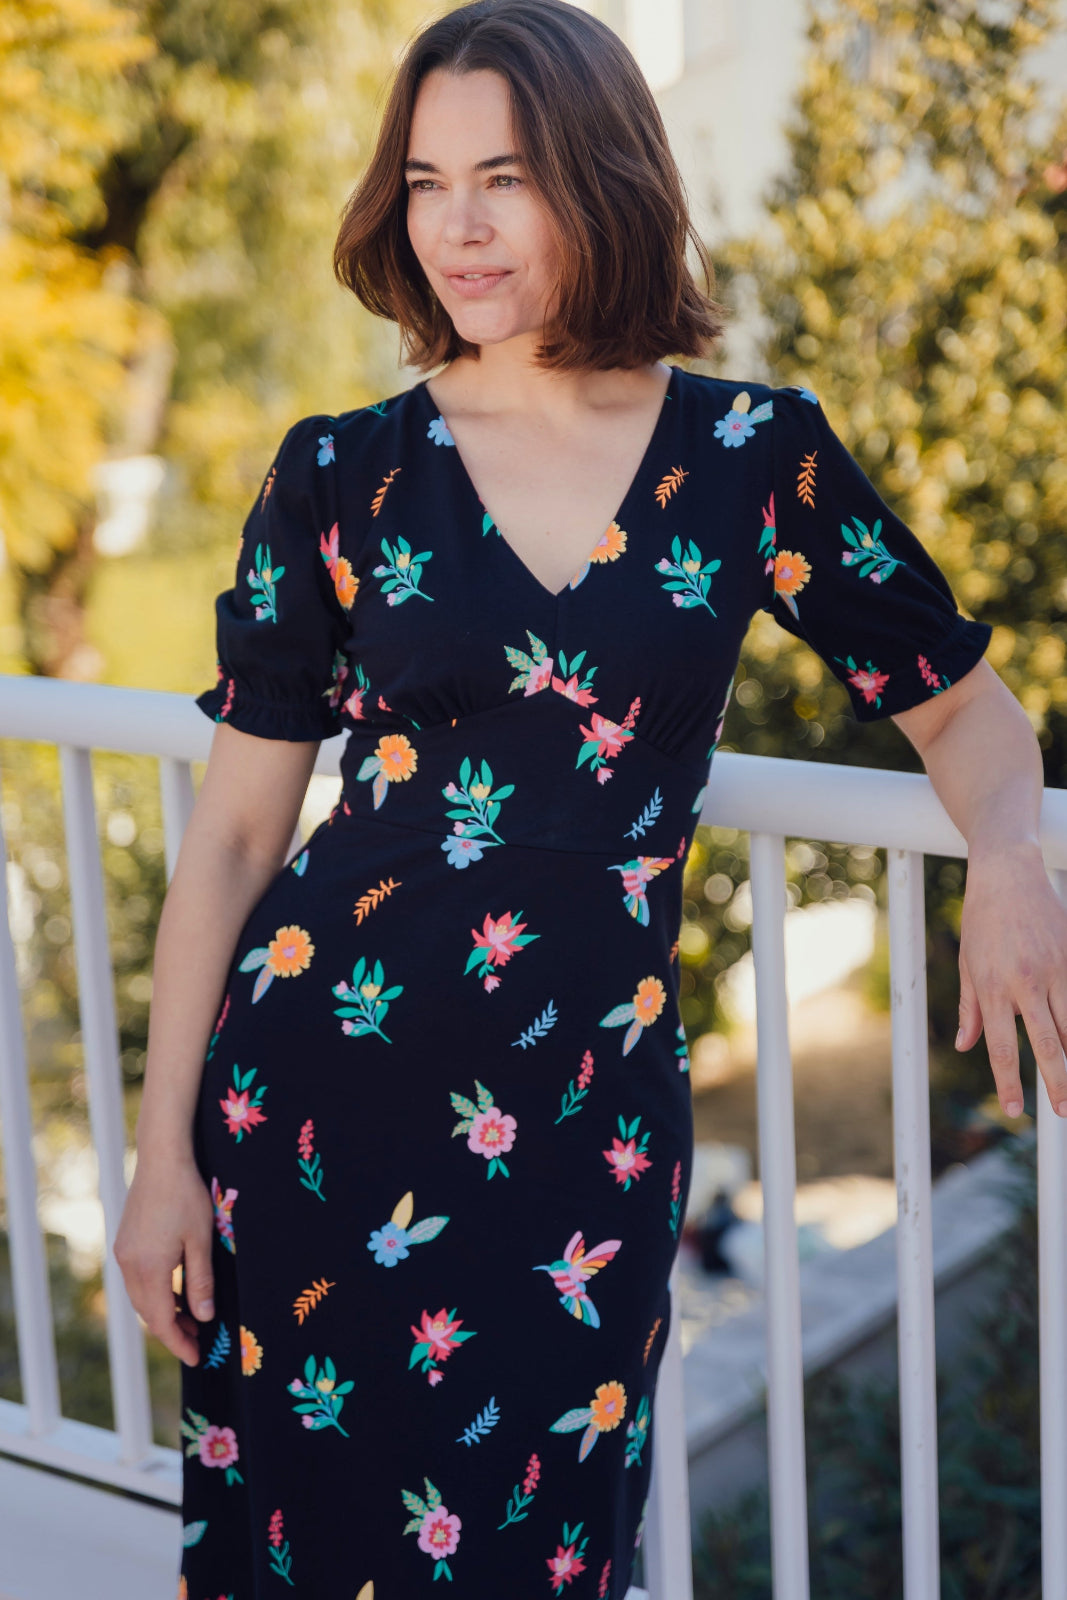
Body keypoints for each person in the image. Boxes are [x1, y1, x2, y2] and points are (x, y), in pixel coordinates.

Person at [113, 1, 1067, 1595]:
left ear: (604, 178)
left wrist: (1017, 858)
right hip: (313, 1104)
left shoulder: (758, 456)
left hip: (579, 1141)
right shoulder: (338, 473)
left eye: (506, 174)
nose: (459, 225)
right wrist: (157, 1163)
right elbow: (229, 839)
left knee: (550, 1549)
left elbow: (966, 711)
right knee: (312, 1545)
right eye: (424, 181)